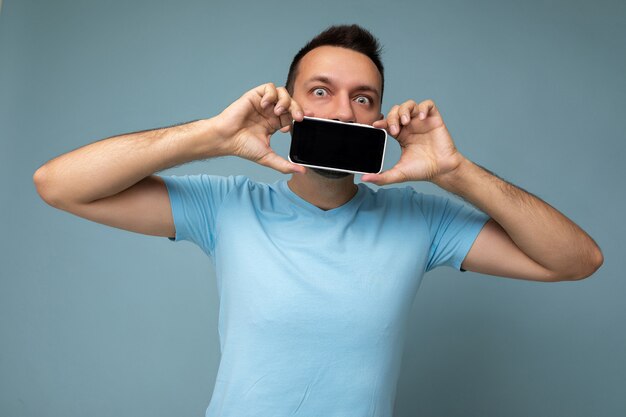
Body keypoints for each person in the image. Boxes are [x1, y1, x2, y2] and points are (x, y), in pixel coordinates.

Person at [34, 24, 602, 417]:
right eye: (321, 91)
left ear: (378, 120)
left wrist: (453, 172)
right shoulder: (228, 207)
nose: (339, 110)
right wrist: (211, 136)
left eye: (362, 98)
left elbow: (578, 261)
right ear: (290, 109)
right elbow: (58, 185)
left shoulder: (421, 221)